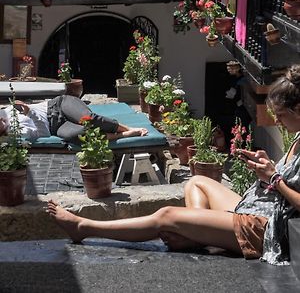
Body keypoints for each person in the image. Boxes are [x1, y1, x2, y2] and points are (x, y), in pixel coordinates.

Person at [47, 65, 300, 265]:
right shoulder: (297, 136)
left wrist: (274, 178)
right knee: (197, 182)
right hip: (256, 208)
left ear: (298, 109)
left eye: (281, 115)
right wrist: (267, 165)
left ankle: (83, 227)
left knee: (166, 216)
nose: (276, 121)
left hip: (266, 227)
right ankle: (195, 235)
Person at [0, 95, 148, 143]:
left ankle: (128, 128)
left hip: (58, 105)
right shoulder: (15, 133)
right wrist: (30, 112)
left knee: (88, 118)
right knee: (78, 135)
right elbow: (43, 133)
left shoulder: (5, 111)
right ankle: (123, 135)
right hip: (55, 127)